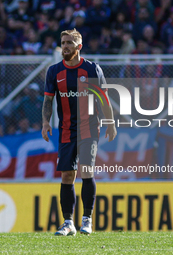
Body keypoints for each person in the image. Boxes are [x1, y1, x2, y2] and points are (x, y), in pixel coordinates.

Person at [41, 29, 117, 236]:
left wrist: (110, 123)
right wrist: (45, 123)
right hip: (66, 129)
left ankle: (87, 220)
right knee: (67, 175)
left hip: (89, 128)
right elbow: (48, 99)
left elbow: (104, 99)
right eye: (63, 42)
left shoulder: (92, 69)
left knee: (86, 171)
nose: (65, 46)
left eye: (69, 43)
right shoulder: (54, 71)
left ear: (79, 47)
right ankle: (68, 223)